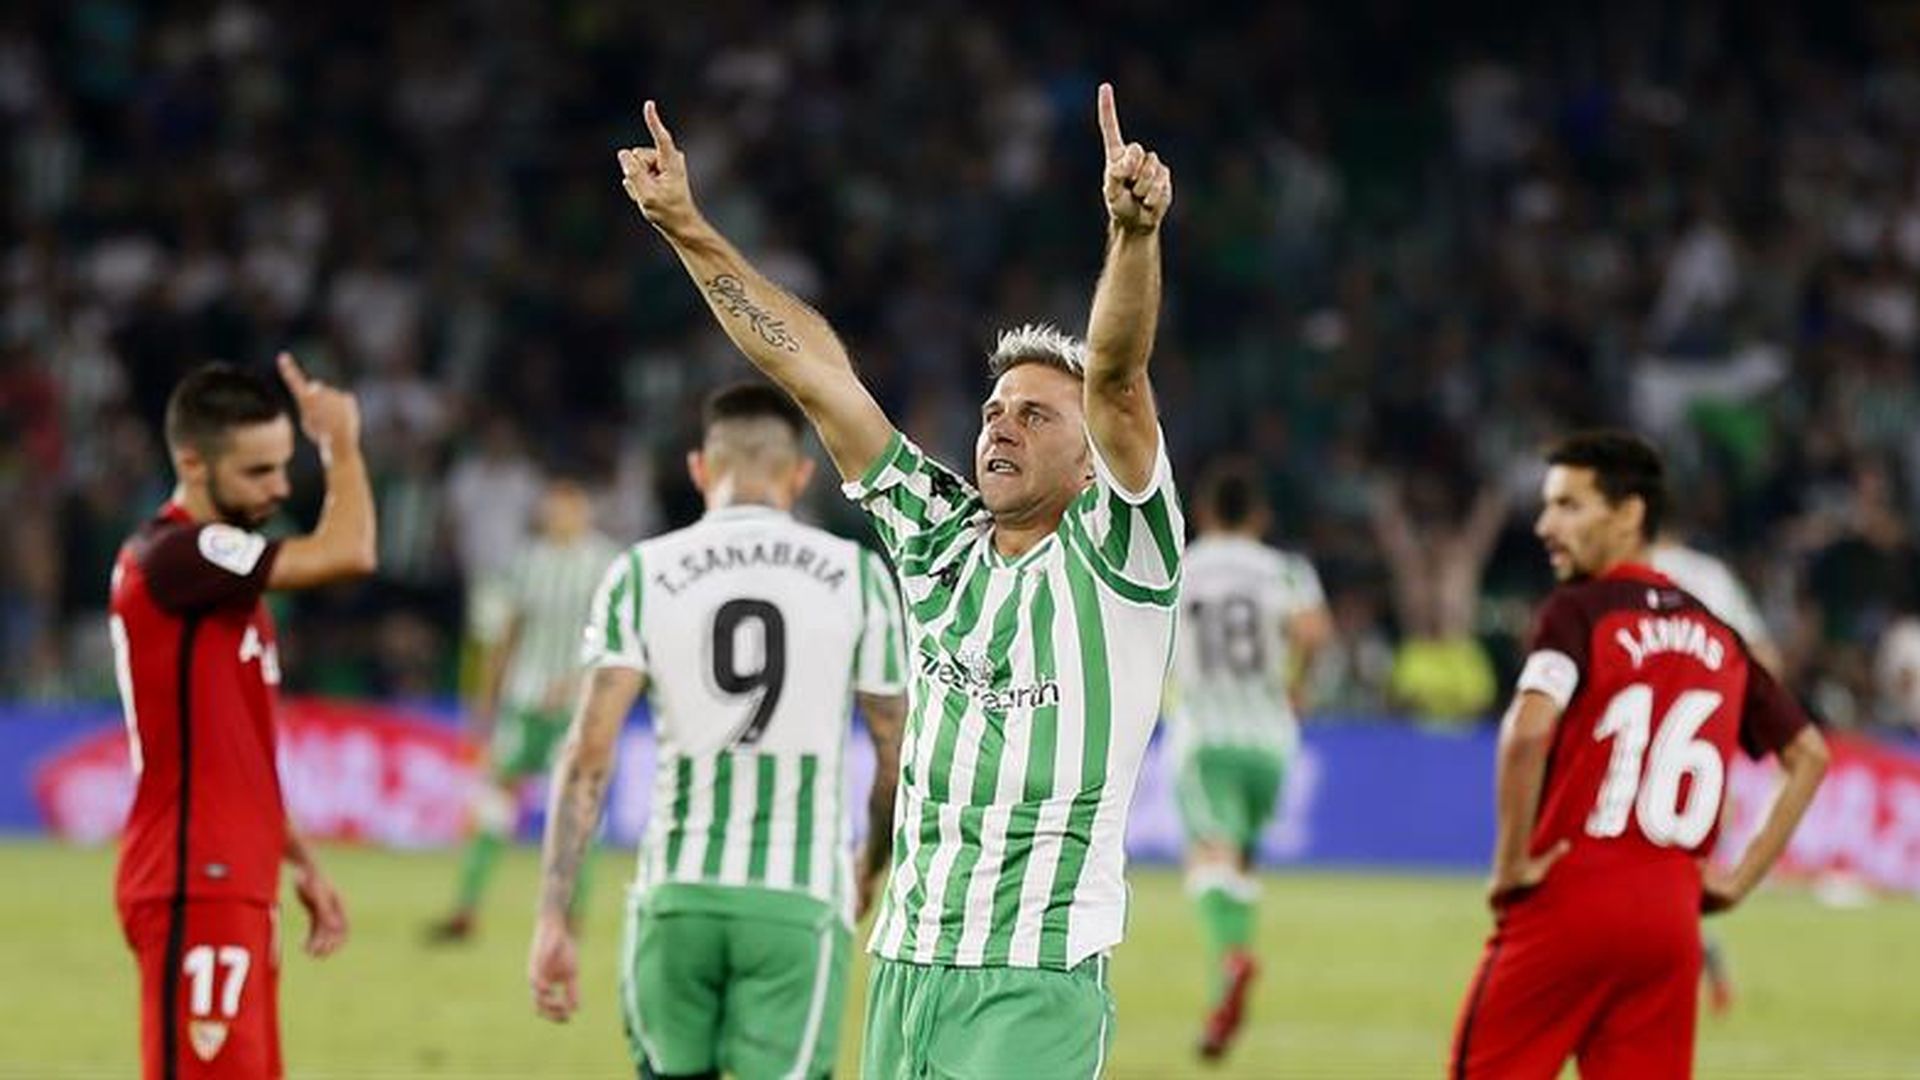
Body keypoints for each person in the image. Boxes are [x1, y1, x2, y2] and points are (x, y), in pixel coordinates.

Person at [604, 82, 1178, 1077]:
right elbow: (816, 376)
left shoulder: (1122, 561)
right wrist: (689, 228)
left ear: (1091, 466)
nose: (1002, 423)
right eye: (997, 408)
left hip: (1030, 982)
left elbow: (1120, 381)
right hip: (905, 967)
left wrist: (1130, 237)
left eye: (1038, 415)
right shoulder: (936, 536)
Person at [527, 382, 909, 1079]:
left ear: (700, 469)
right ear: (799, 476)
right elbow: (894, 756)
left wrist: (555, 916)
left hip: (677, 892)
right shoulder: (858, 578)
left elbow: (587, 757)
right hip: (796, 899)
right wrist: (871, 865)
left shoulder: (640, 572)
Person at [1450, 431, 1829, 1080]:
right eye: (1548, 506)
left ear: (1629, 515)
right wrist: (1736, 881)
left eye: (1570, 506)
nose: (1546, 526)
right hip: (1671, 923)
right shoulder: (1720, 634)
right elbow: (1810, 755)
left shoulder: (1578, 613)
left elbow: (1526, 732)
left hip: (1569, 899)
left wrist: (1511, 861)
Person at [110, 356, 376, 1078]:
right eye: (259, 472)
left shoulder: (223, 586)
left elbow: (239, 753)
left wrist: (301, 861)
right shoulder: (174, 556)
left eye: (285, 465)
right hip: (196, 877)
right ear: (193, 463)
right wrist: (342, 444)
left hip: (234, 876)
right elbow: (350, 551)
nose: (281, 488)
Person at [1166, 459, 1332, 1060]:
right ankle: (1221, 1000)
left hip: (1206, 734)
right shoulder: (1285, 570)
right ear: (1259, 516)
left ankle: (1231, 964)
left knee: (1209, 858)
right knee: (1239, 864)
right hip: (1271, 738)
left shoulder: (1183, 568)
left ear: (1204, 514)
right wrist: (1298, 683)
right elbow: (1314, 632)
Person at [428, 475, 619, 942]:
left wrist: (582, 683)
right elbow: (502, 636)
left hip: (579, 709)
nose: (561, 517)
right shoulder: (525, 563)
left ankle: (571, 914)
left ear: (585, 512)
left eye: (570, 508)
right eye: (554, 508)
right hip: (523, 704)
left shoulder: (607, 563)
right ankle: (466, 907)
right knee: (494, 805)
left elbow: (621, 641)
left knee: (576, 810)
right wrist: (484, 704)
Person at [1649, 525, 1782, 1015]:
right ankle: (1695, 954)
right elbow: (1764, 654)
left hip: (1647, 742)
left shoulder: (1623, 572)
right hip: (1699, 744)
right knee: (1672, 868)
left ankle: (1687, 958)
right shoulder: (1711, 577)